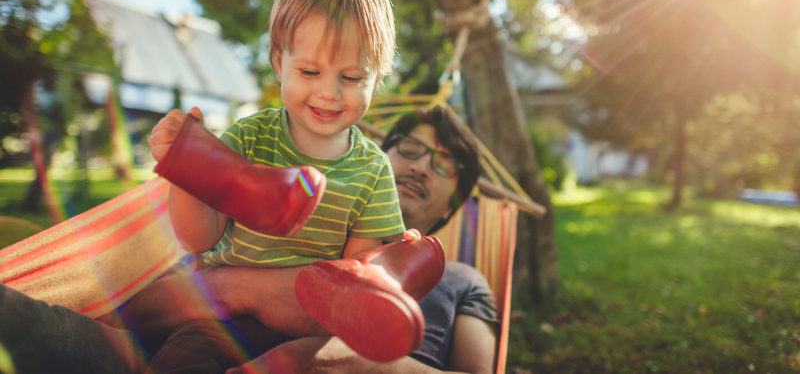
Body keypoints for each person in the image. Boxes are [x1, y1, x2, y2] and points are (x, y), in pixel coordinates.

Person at [0, 107, 496, 374]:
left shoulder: (462, 280)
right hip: (148, 354)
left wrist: (351, 366)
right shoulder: (263, 223)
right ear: (376, 157)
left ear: (454, 206)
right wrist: (238, 288)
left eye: (445, 165)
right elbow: (120, 312)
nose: (420, 166)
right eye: (411, 149)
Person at [138, 0, 447, 360]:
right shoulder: (249, 139)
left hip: (307, 323)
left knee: (314, 361)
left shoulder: (371, 169)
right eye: (310, 71)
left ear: (378, 77)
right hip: (220, 318)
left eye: (352, 78)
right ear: (279, 61)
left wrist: (382, 266)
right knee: (186, 361)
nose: (330, 93)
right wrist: (185, 168)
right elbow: (198, 239)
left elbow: (350, 275)